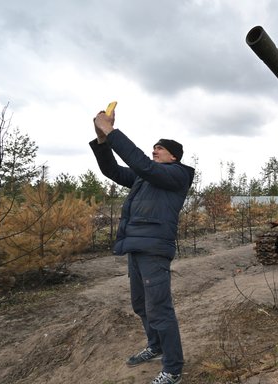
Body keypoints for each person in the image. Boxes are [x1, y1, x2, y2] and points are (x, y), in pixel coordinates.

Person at [90, 108, 194, 384]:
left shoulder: (177, 175)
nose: (154, 151)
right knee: (140, 304)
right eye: (153, 148)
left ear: (174, 156)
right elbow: (111, 170)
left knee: (159, 308)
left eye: (159, 149)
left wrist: (112, 132)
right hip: (136, 246)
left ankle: (173, 369)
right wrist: (102, 139)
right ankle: (156, 345)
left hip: (155, 248)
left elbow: (142, 165)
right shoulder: (144, 177)